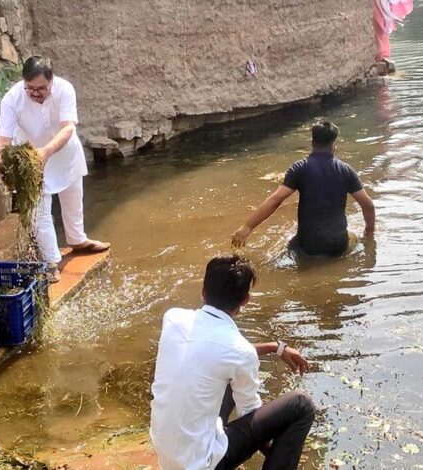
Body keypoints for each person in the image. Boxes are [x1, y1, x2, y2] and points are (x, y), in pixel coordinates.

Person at [150, 255, 315, 470]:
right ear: (245, 300)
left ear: (203, 291)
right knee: (301, 404)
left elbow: (216, 352)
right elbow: (249, 414)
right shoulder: (239, 351)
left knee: (225, 375)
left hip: (166, 452)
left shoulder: (173, 318)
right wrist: (278, 450)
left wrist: (276, 347)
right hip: (200, 463)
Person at [0, 56, 109, 282]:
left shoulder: (65, 89)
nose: (35, 93)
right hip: (31, 160)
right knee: (39, 213)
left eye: (41, 88)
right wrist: (0, 164)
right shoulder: (12, 98)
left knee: (73, 200)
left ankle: (77, 240)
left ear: (51, 81)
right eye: (30, 88)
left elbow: (68, 128)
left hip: (63, 152)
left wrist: (46, 152)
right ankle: (50, 261)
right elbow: (3, 139)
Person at [231, 121, 375, 257]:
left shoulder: (299, 168)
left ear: (312, 143)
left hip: (307, 245)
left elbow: (276, 199)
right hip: (337, 245)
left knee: (291, 245)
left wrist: (247, 227)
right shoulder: (346, 170)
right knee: (353, 236)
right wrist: (369, 232)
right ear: (333, 145)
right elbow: (368, 205)